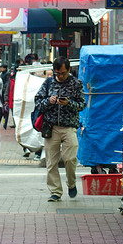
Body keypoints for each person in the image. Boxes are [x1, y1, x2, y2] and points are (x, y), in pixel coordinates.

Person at [33, 57, 85, 202]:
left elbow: (82, 104)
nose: (60, 76)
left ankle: (71, 183)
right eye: (57, 73)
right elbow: (38, 101)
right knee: (51, 162)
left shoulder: (76, 84)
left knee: (70, 158)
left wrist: (69, 103)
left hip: (69, 127)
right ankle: (55, 191)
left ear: (68, 70)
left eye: (62, 73)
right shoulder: (49, 82)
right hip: (51, 127)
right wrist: (48, 101)